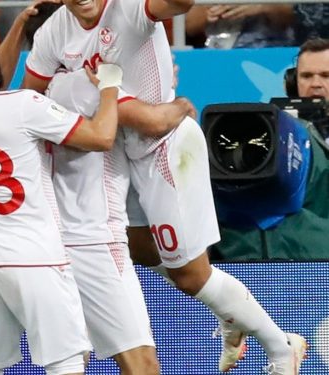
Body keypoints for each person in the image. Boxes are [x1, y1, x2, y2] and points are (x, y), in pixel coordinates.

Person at [21, 0, 307, 373]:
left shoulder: (129, 8)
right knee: (140, 249)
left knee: (191, 276)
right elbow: (32, 95)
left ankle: (281, 346)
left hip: (165, 149)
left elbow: (181, 5)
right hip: (126, 150)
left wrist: (163, 107)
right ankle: (231, 312)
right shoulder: (54, 35)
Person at [0, 20, 124, 375]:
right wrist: (111, 85)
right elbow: (101, 137)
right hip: (34, 256)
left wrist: (20, 25)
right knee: (67, 363)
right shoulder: (24, 105)